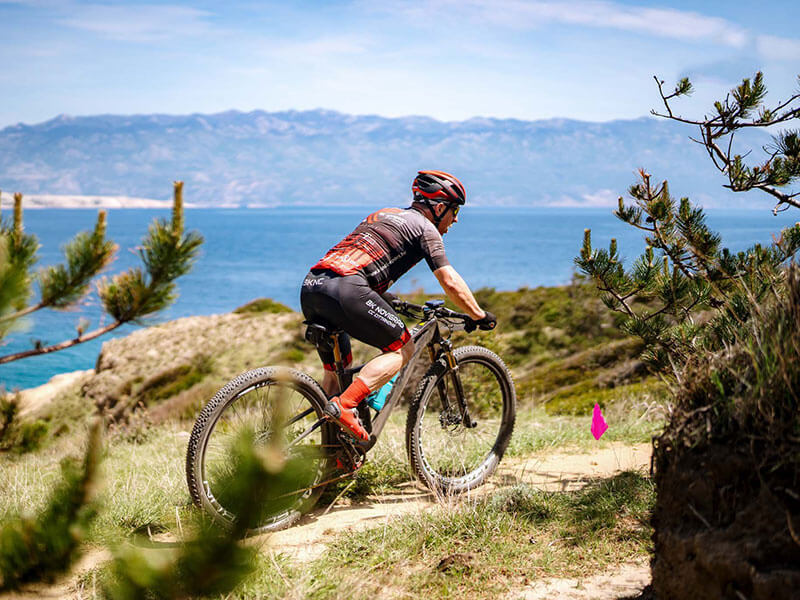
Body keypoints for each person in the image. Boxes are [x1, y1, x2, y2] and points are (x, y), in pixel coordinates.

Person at [300, 170, 496, 443]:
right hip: (347, 288)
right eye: (454, 210)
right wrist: (479, 314)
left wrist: (382, 296)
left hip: (313, 286)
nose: (456, 219)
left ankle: (335, 453)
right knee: (402, 348)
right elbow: (449, 281)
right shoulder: (426, 229)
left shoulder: (383, 214)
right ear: (439, 207)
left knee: (336, 376)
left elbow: (362, 258)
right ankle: (345, 406)